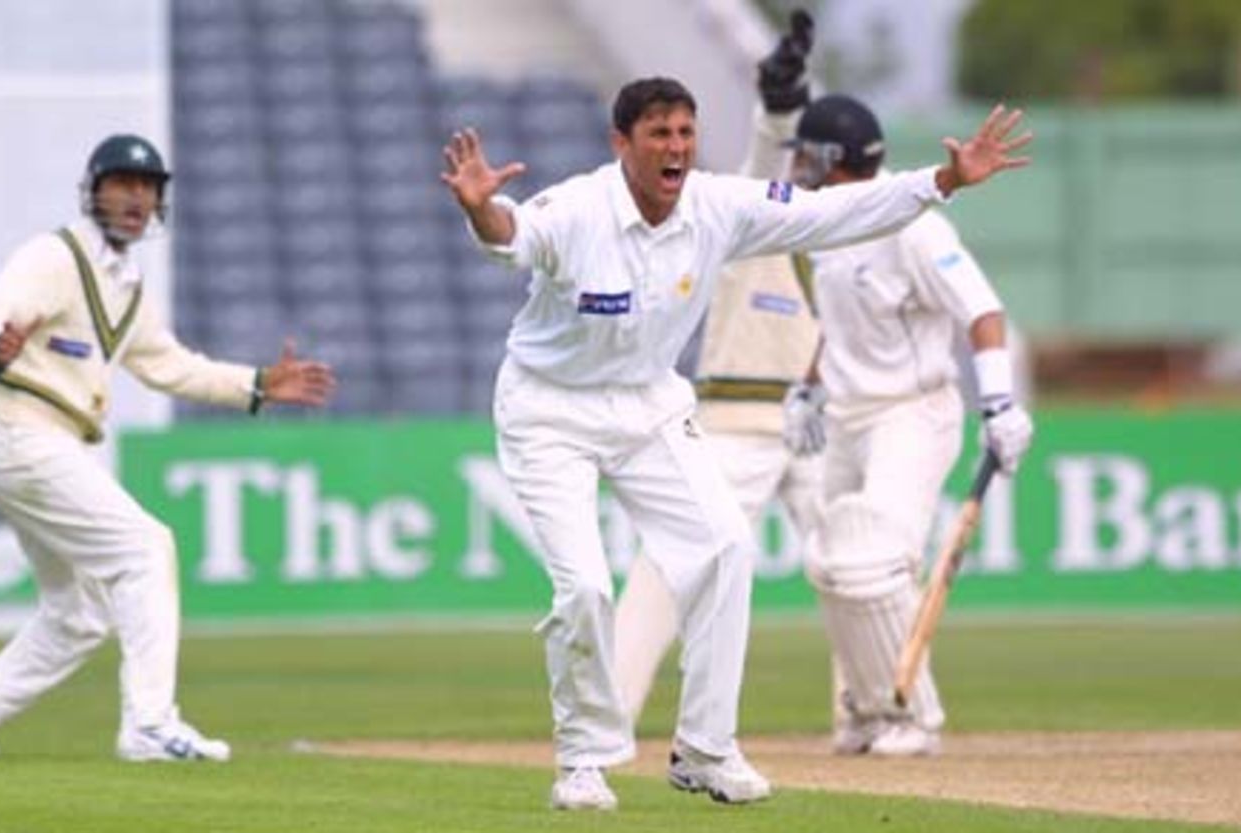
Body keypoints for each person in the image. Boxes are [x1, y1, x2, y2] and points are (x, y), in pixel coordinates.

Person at [441, 75, 1030, 811]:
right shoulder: (578, 207)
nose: (676, 148)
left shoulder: (718, 203)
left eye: (685, 133)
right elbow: (513, 239)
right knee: (587, 585)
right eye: (658, 134)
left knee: (724, 546)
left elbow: (831, 211)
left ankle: (706, 749)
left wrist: (940, 180)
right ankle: (584, 761)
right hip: (548, 409)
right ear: (621, 143)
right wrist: (480, 212)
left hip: (649, 402)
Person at [0, 134, 335, 762]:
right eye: (123, 185)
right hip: (18, 430)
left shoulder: (125, 285)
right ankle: (150, 724)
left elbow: (170, 367)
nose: (137, 199)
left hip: (39, 442)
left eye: (148, 188)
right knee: (145, 547)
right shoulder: (58, 256)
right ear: (94, 191)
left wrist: (257, 385)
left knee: (78, 613)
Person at [778, 94, 1035, 756]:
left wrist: (1000, 403)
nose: (798, 164)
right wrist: (808, 388)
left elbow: (982, 311)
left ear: (834, 159)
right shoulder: (826, 224)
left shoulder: (915, 225)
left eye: (807, 153)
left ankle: (914, 716)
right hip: (848, 414)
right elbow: (839, 325)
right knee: (830, 564)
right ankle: (867, 707)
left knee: (874, 560)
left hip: (912, 411)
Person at [613, 9, 837, 730]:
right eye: (806, 160)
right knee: (673, 561)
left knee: (861, 567)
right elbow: (765, 161)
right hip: (737, 422)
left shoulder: (844, 237)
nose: (812, 172)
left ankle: (881, 713)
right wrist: (779, 101)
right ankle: (608, 712)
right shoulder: (741, 214)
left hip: (819, 430)